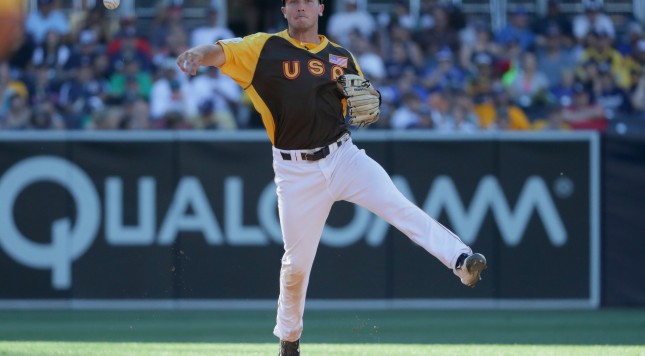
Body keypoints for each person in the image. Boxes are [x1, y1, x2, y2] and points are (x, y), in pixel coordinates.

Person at [176, 1, 487, 355]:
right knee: (296, 266)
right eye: (293, 1)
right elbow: (218, 52)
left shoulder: (340, 57)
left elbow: (365, 106)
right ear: (284, 9)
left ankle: (462, 260)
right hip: (295, 171)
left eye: (307, 0)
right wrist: (195, 54)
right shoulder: (263, 48)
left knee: (399, 206)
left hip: (343, 156)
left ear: (320, 8)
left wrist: (371, 100)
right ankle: (289, 340)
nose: (300, 7)